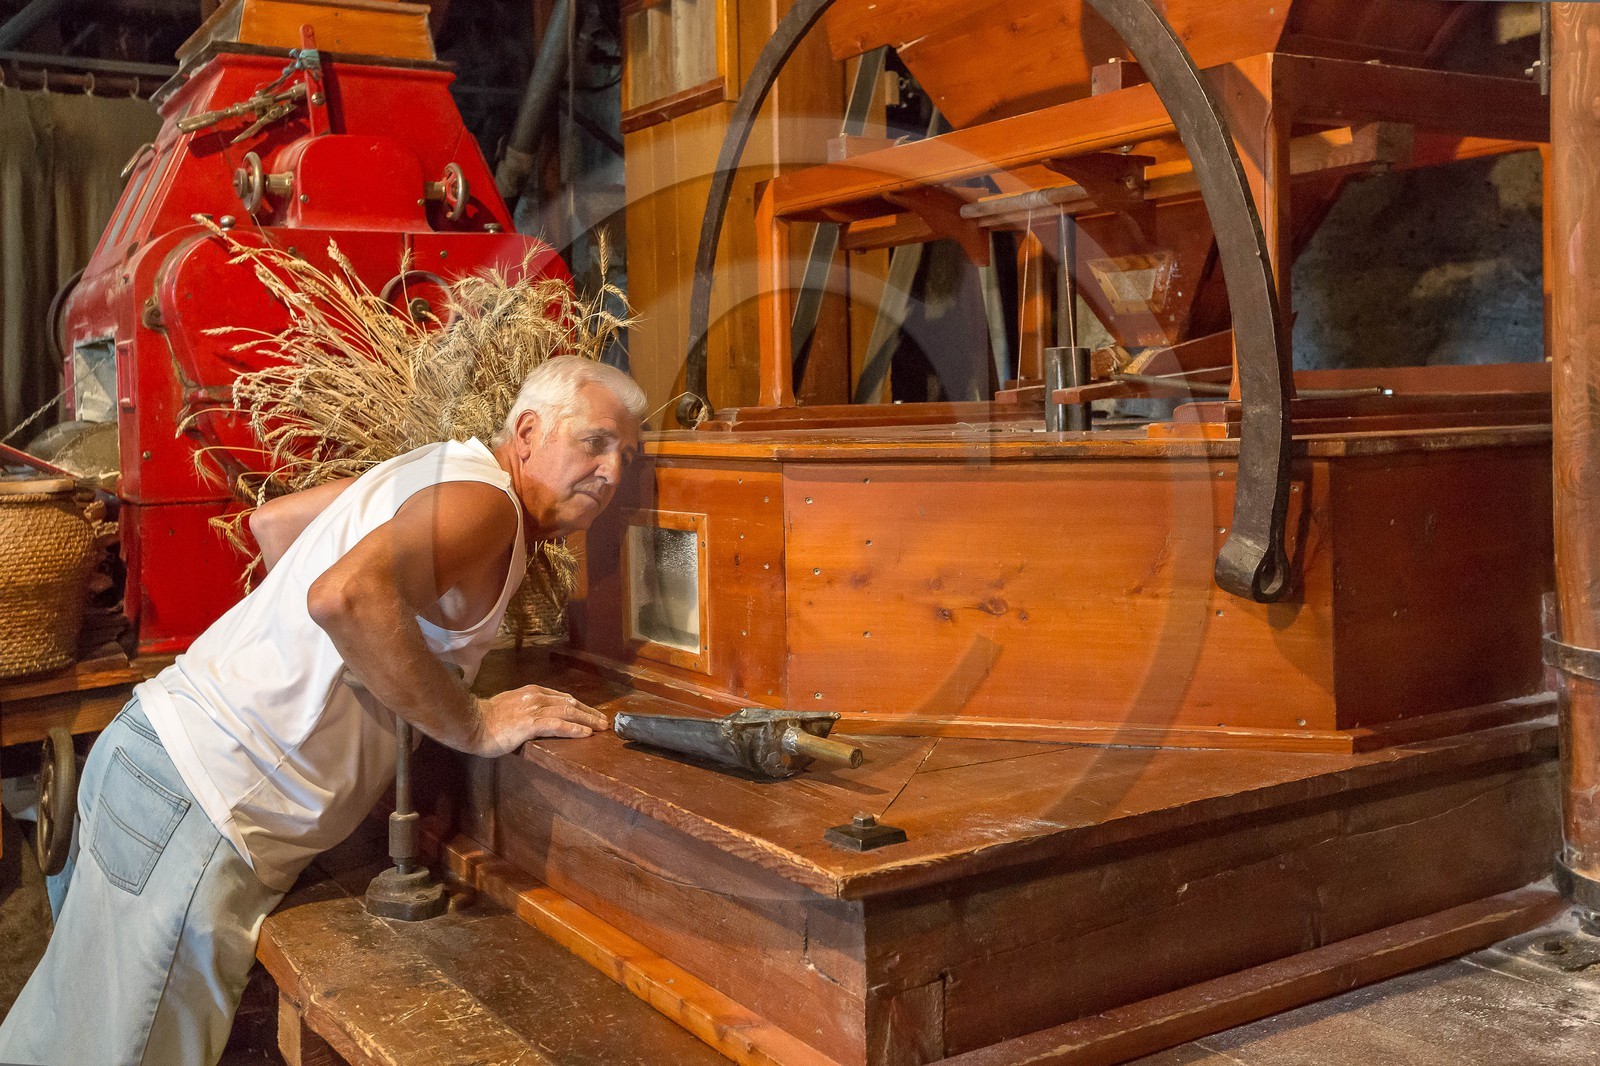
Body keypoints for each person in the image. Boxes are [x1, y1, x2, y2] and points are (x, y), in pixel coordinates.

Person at [0, 356, 647, 1066]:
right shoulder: (487, 505)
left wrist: (331, 674)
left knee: (60, 1046)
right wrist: (473, 721)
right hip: (204, 805)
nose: (612, 472)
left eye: (627, 455)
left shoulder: (439, 468)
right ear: (527, 432)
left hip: (149, 758)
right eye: (594, 442)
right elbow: (345, 597)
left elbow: (275, 525)